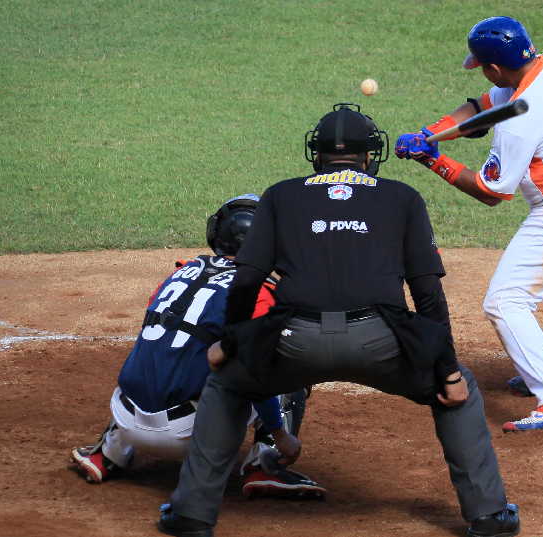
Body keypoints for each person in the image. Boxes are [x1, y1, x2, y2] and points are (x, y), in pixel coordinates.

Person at [156, 103, 520, 537]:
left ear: (318, 154)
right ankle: (489, 516)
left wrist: (232, 345)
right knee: (459, 391)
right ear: (370, 155)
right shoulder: (402, 198)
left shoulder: (281, 195)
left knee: (227, 382)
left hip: (293, 343)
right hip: (381, 342)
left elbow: (246, 280)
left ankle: (191, 516)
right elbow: (427, 294)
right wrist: (445, 371)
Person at [395, 16, 543, 432]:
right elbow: (482, 107)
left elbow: (492, 193)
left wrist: (431, 159)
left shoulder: (518, 125)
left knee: (504, 302)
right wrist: (430, 134)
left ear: (493, 67)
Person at [71, 194, 325, 499]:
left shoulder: (181, 272)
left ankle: (107, 454)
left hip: (126, 419)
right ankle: (265, 465)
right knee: (285, 362)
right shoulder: (259, 290)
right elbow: (256, 371)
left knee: (162, 344)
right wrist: (282, 434)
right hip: (185, 435)